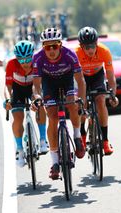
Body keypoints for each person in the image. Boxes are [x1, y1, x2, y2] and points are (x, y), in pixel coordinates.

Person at [31, 28, 86, 180]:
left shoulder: (70, 55)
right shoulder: (38, 58)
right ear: (43, 47)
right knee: (53, 118)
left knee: (73, 104)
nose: (51, 50)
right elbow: (36, 85)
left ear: (60, 45)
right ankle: (55, 163)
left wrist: (81, 101)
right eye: (48, 47)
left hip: (67, 81)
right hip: (49, 84)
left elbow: (80, 81)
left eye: (54, 46)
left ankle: (76, 136)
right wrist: (36, 97)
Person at [4, 40, 48, 167]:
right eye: (21, 60)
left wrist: (37, 98)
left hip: (33, 88)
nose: (25, 63)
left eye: (27, 59)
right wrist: (7, 100)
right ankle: (19, 150)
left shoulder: (37, 62)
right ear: (17, 58)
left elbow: (37, 86)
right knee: (18, 118)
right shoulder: (11, 64)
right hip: (17, 90)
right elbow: (8, 87)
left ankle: (43, 139)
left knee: (40, 106)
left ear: (32, 56)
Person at [75, 26, 119, 155]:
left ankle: (105, 141)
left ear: (97, 43)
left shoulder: (104, 51)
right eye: (86, 47)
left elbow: (111, 76)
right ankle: (82, 136)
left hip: (97, 75)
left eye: (93, 46)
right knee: (82, 104)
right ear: (81, 46)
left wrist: (112, 95)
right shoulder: (76, 54)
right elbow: (74, 78)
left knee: (100, 100)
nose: (90, 50)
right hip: (81, 77)